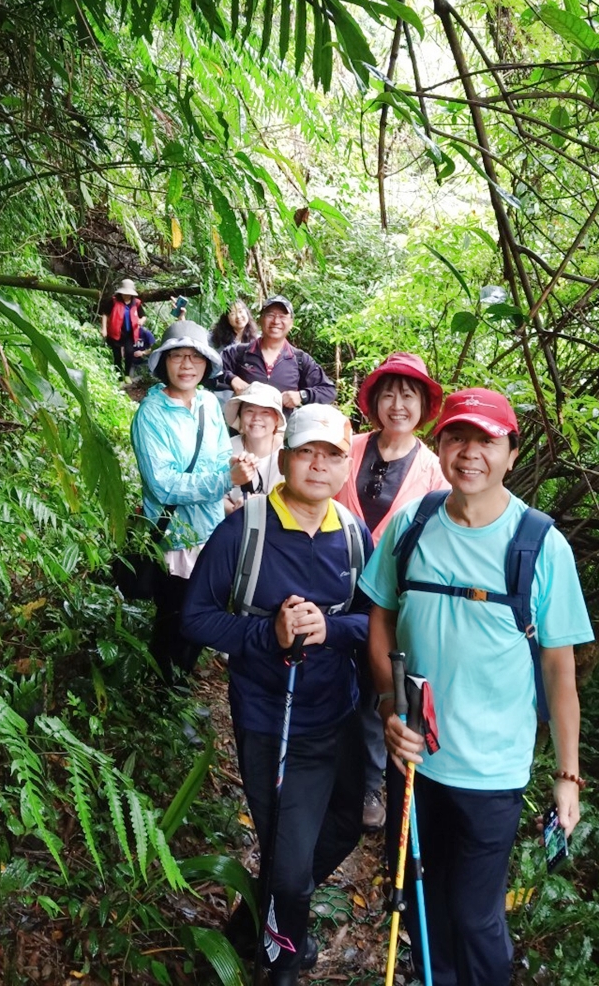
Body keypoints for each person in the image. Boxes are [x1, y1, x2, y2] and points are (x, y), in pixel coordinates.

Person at [361, 388, 594, 986]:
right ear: (439, 446)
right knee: (418, 899)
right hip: (414, 762)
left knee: (474, 915)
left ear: (511, 454)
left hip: (492, 772)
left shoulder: (539, 545)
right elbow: (381, 617)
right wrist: (389, 704)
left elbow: (559, 671)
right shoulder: (413, 524)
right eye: (456, 438)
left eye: (486, 441)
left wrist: (567, 776)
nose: (469, 453)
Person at [182, 405, 374, 986]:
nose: (318, 465)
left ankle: (255, 923)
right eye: (306, 452)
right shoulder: (247, 530)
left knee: (344, 825)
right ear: (285, 458)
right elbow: (196, 617)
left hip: (336, 714)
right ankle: (281, 963)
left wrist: (329, 629)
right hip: (272, 718)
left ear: (346, 466)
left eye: (331, 455)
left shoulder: (353, 536)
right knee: (289, 872)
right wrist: (270, 634)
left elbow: (375, 622)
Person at [334, 352, 447, 831]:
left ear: (423, 406)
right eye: (389, 394)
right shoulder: (347, 446)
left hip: (390, 600)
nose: (397, 404)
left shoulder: (435, 472)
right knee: (326, 676)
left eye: (408, 396)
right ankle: (320, 768)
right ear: (374, 401)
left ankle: (369, 784)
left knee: (376, 688)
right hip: (332, 585)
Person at [130, 320, 257, 683]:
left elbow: (218, 456)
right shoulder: (151, 414)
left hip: (211, 531)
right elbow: (163, 485)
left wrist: (234, 466)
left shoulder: (207, 403)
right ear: (164, 363)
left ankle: (180, 680)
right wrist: (225, 480)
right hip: (175, 537)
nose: (187, 365)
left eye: (195, 357)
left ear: (206, 363)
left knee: (204, 614)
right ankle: (162, 692)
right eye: (178, 356)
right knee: (174, 618)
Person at [220, 295, 336, 415]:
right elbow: (211, 373)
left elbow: (328, 391)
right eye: (270, 315)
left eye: (282, 316)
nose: (276, 321)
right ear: (260, 319)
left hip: (283, 427)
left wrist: (301, 396)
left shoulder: (300, 359)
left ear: (291, 323)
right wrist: (232, 379)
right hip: (244, 425)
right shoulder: (238, 353)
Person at [223, 381, 286, 513]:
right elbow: (215, 494)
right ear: (240, 415)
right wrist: (236, 511)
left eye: (265, 412)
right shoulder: (225, 448)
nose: (257, 418)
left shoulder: (288, 452)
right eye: (249, 411)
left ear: (277, 419)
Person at [99, 279, 144, 382]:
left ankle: (127, 374)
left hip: (130, 333)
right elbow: (105, 314)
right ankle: (118, 377)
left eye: (128, 294)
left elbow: (143, 316)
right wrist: (104, 329)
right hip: (115, 332)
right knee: (117, 356)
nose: (126, 295)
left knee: (129, 353)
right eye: (124, 293)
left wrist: (141, 321)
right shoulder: (113, 301)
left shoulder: (136, 303)